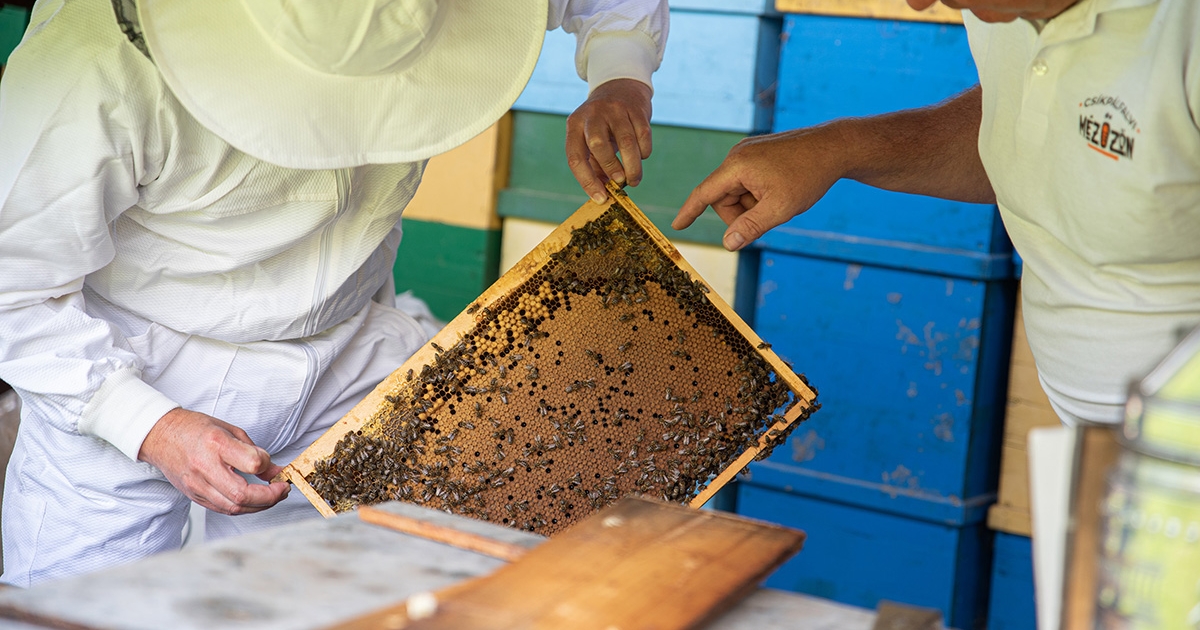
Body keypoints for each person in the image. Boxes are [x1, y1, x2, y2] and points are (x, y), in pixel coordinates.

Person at [0, 0, 667, 586]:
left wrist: (621, 73)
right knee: (81, 607)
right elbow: (11, 290)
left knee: (320, 602)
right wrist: (147, 423)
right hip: (130, 358)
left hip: (350, 349)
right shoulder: (91, 58)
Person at [674, 0, 1200, 427]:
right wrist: (839, 147)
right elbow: (1023, 134)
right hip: (1092, 432)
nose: (921, 2)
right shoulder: (999, 12)